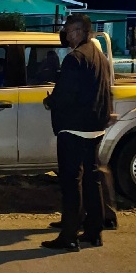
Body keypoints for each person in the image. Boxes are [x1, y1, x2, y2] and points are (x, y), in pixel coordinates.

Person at [41, 13, 113, 252]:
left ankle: (69, 236)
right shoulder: (99, 55)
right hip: (94, 126)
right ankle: (94, 231)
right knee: (91, 179)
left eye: (69, 30)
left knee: (71, 182)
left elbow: (65, 95)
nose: (66, 34)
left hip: (74, 127)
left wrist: (50, 102)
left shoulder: (75, 58)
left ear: (79, 32)